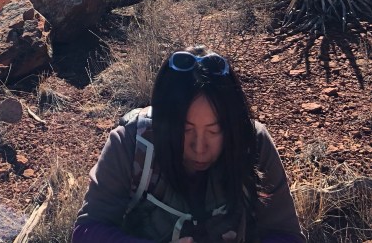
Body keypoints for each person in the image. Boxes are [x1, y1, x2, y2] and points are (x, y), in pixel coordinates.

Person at [73, 46, 305, 243]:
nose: (199, 148)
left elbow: (285, 234)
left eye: (214, 130)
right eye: (185, 130)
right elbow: (87, 231)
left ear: (232, 125)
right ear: (163, 122)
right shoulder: (131, 143)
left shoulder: (252, 143)